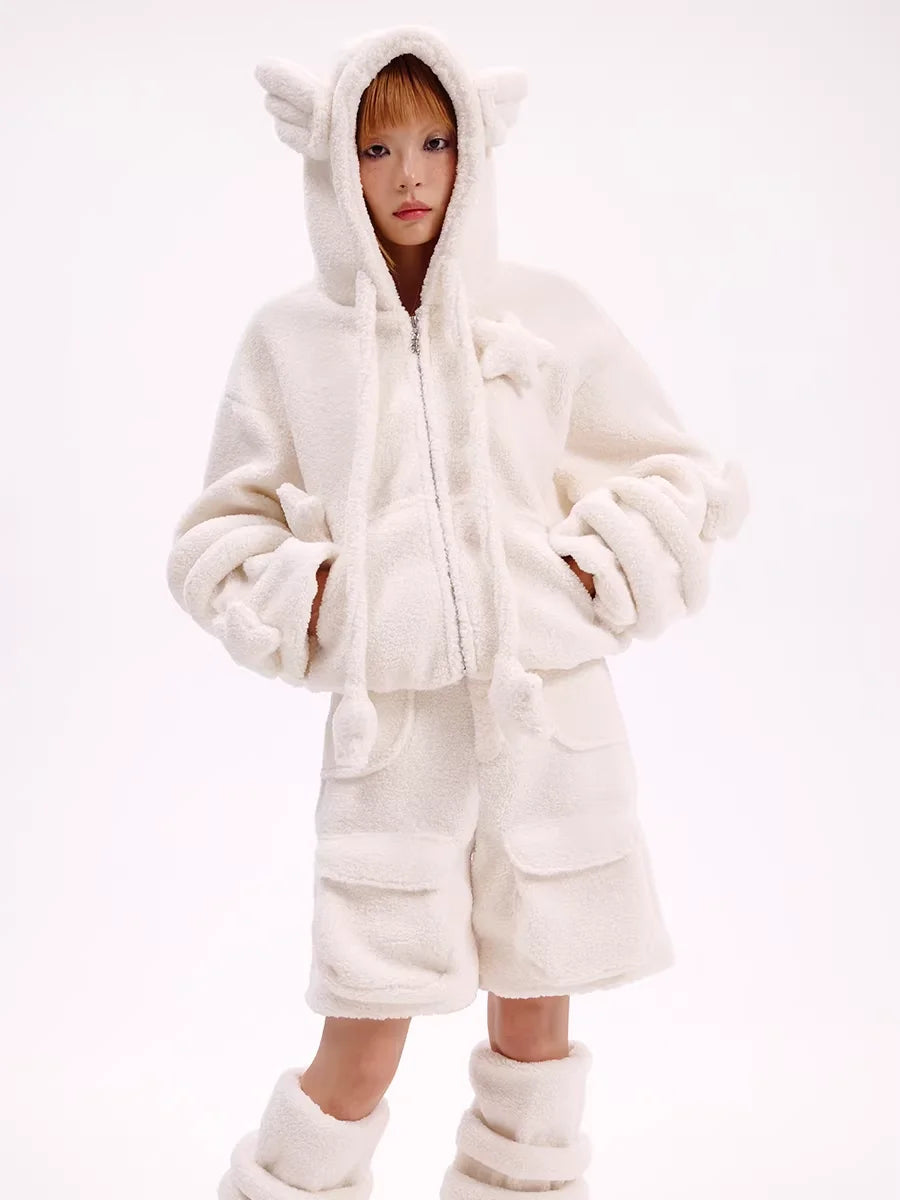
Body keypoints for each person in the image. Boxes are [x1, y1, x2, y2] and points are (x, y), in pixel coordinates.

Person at [166, 23, 749, 1200]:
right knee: (364, 1038)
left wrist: (592, 571)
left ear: (474, 146)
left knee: (536, 1024)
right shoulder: (293, 341)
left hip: (550, 722)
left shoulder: (547, 313)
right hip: (397, 741)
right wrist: (319, 599)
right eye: (377, 148)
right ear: (334, 158)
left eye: (435, 142)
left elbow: (679, 472)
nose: (410, 175)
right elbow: (218, 532)